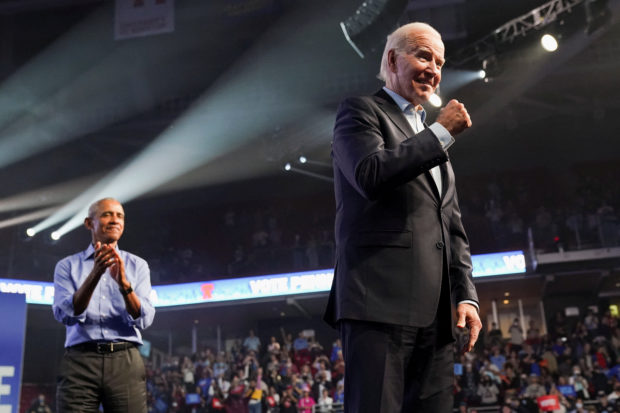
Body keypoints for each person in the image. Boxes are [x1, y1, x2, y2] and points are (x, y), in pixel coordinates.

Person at [323, 21, 482, 412]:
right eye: (424, 55)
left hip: (437, 318)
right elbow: (370, 175)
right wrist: (442, 133)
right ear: (393, 59)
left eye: (440, 62)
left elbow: (452, 227)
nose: (434, 69)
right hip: (377, 305)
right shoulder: (360, 112)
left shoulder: (432, 138)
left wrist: (466, 296)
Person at [53, 197, 156, 412]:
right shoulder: (66, 266)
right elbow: (67, 315)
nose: (114, 220)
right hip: (80, 361)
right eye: (107, 214)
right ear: (89, 223)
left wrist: (124, 284)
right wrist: (95, 273)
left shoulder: (138, 266)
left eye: (119, 215)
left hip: (125, 360)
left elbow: (145, 319)